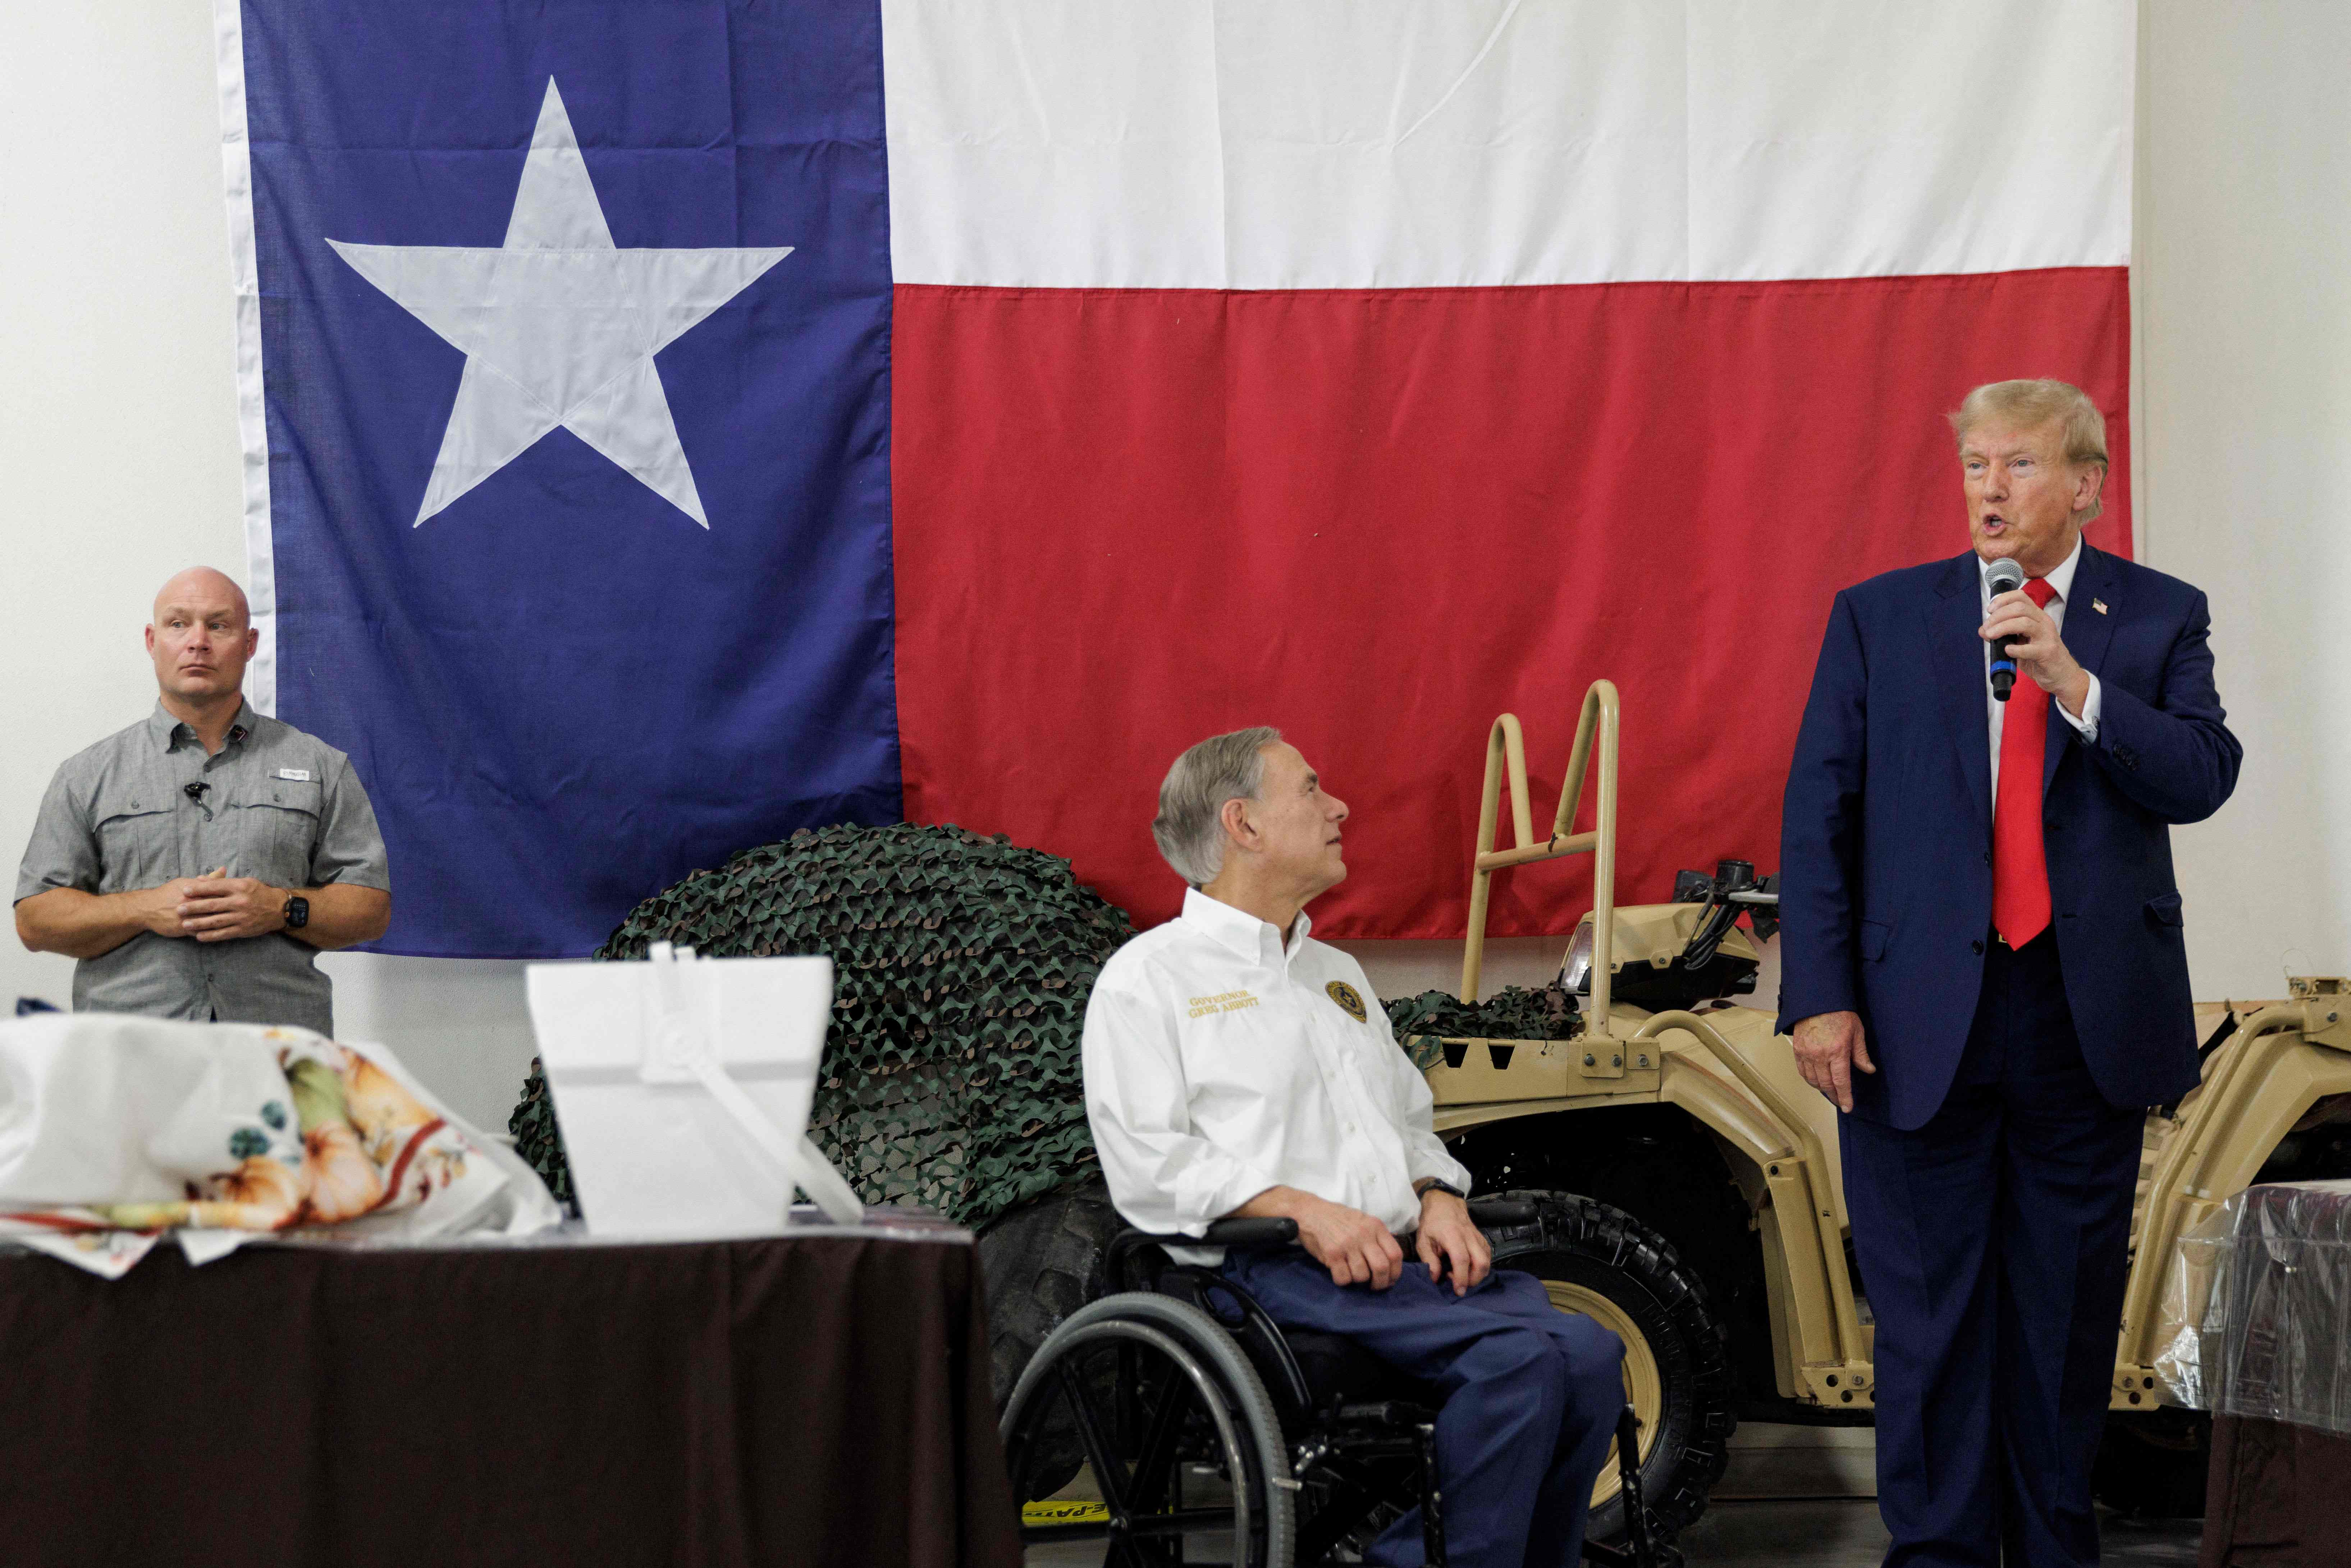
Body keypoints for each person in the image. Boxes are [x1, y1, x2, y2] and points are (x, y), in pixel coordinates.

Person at [1778, 380, 2241, 1567]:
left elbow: (2200, 774)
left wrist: (2076, 685)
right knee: (1929, 1323)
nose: (1990, 487)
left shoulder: (2154, 615)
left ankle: (2051, 1547)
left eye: (2019, 465)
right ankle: (1932, 1552)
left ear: (2087, 483)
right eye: (1977, 464)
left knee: (2061, 1321)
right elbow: (1819, 816)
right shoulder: (1881, 616)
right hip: (1911, 1019)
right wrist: (1819, 994)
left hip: (2082, 1019)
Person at [1084, 726, 1623, 1568]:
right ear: (1244, 825)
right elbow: (1148, 1164)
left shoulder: (1335, 974)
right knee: (1518, 1363)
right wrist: (1300, 1210)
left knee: (1592, 1352)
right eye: (1310, 789)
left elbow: (1407, 1119)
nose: (1339, 807)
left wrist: (1438, 1193)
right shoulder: (1148, 979)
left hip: (1390, 1265)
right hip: (1261, 1275)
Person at [14, 567, 392, 1036]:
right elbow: (35, 920)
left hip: (279, 1052)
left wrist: (279, 907)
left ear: (250, 644)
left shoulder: (320, 766)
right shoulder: (87, 774)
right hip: (131, 1055)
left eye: (218, 625)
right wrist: (143, 908)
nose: (198, 641)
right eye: (179, 624)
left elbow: (370, 907)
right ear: (152, 641)